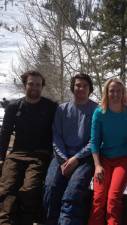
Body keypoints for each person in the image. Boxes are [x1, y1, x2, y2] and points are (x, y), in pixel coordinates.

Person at [0, 70, 57, 225]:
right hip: (16, 154)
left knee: (29, 189)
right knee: (6, 189)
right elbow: (5, 133)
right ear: (25, 84)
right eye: (31, 84)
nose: (34, 87)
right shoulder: (13, 107)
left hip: (39, 155)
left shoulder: (50, 107)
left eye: (38, 85)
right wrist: (1, 157)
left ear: (42, 87)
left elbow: (57, 133)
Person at [43, 73, 98, 225]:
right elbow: (57, 136)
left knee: (73, 192)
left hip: (85, 159)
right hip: (62, 157)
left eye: (84, 86)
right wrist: (63, 160)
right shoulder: (62, 109)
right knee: (51, 187)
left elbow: (95, 140)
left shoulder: (96, 110)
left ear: (90, 89)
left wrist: (76, 158)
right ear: (73, 88)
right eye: (77, 85)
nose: (80, 88)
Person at [88, 78, 127, 225]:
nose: (115, 94)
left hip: (124, 158)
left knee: (113, 198)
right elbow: (94, 141)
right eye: (111, 91)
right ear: (106, 93)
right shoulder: (99, 113)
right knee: (99, 198)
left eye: (118, 91)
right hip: (104, 159)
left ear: (123, 93)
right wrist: (97, 165)